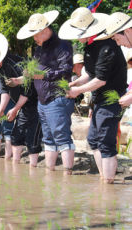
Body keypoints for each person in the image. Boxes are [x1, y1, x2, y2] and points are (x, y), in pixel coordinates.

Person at [61, 8, 127, 183]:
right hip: (99, 99)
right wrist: (74, 83)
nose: (75, 37)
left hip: (111, 99)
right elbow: (89, 75)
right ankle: (105, 178)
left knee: (105, 141)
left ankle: (108, 183)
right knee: (93, 139)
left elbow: (101, 80)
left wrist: (77, 91)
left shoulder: (107, 47)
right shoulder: (90, 46)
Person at [17, 10, 74, 174]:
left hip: (57, 97)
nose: (34, 38)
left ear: (44, 30)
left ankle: (67, 174)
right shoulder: (39, 49)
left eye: (35, 34)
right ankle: (50, 173)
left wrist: (42, 75)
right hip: (42, 100)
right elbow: (33, 70)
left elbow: (66, 71)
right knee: (48, 138)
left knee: (61, 136)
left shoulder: (63, 45)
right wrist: (24, 76)